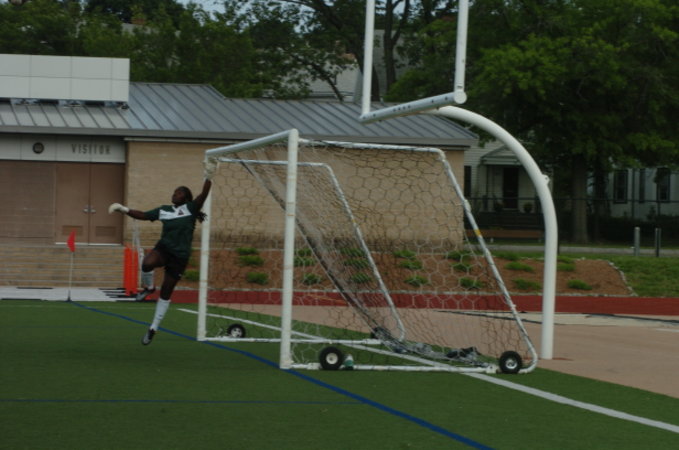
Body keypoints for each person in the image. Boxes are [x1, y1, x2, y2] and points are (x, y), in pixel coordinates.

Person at [109, 158, 217, 345]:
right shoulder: (164, 210)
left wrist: (209, 175)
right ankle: (149, 287)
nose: (174, 194)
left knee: (166, 293)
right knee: (146, 264)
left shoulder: (191, 208)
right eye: (174, 192)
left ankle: (153, 328)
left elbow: (204, 194)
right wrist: (123, 209)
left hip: (180, 257)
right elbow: (143, 215)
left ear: (186, 197)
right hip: (164, 249)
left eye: (178, 192)